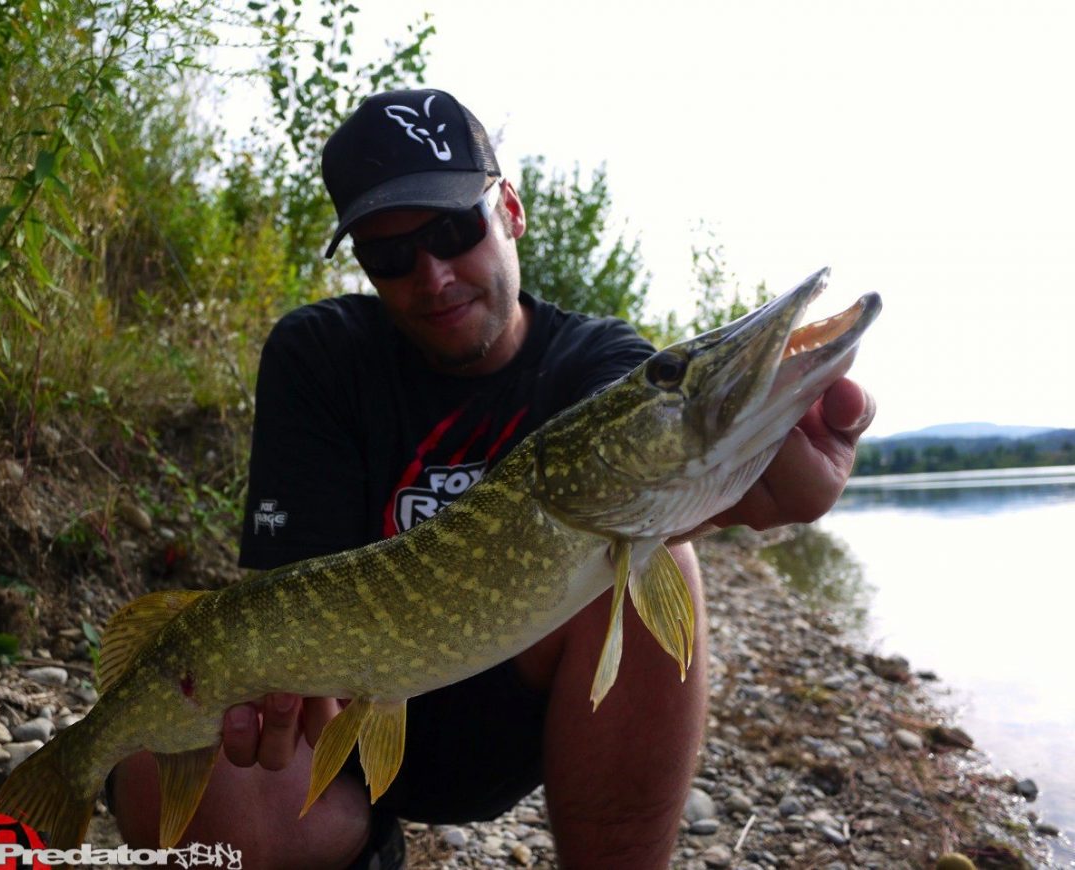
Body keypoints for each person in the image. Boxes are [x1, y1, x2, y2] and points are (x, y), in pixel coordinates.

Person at [110, 89, 875, 869]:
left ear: (508, 209)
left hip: (516, 719)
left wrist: (744, 498)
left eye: (452, 230)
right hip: (337, 732)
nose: (433, 275)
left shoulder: (602, 367)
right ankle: (359, 852)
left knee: (648, 555)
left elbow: (642, 489)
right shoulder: (320, 356)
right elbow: (287, 593)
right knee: (144, 769)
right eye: (391, 255)